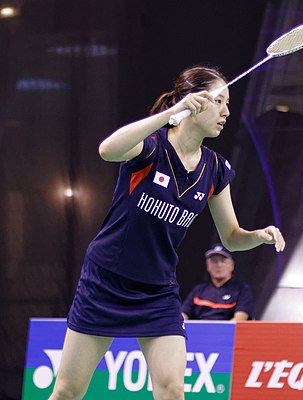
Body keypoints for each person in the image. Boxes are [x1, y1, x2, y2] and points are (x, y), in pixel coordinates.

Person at [50, 65, 285, 400]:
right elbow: (107, 150)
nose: (226, 112)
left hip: (158, 291)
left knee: (173, 390)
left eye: (228, 104)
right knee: (67, 392)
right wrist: (173, 113)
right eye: (220, 102)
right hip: (105, 282)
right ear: (196, 101)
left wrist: (258, 235)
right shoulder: (150, 148)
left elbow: (232, 237)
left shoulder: (215, 170)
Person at [182, 243, 254, 321]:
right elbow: (183, 315)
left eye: (223, 261)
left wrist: (220, 331)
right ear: (208, 266)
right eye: (214, 261)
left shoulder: (242, 290)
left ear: (232, 265)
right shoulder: (198, 290)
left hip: (227, 332)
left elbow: (239, 319)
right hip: (197, 331)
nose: (219, 265)